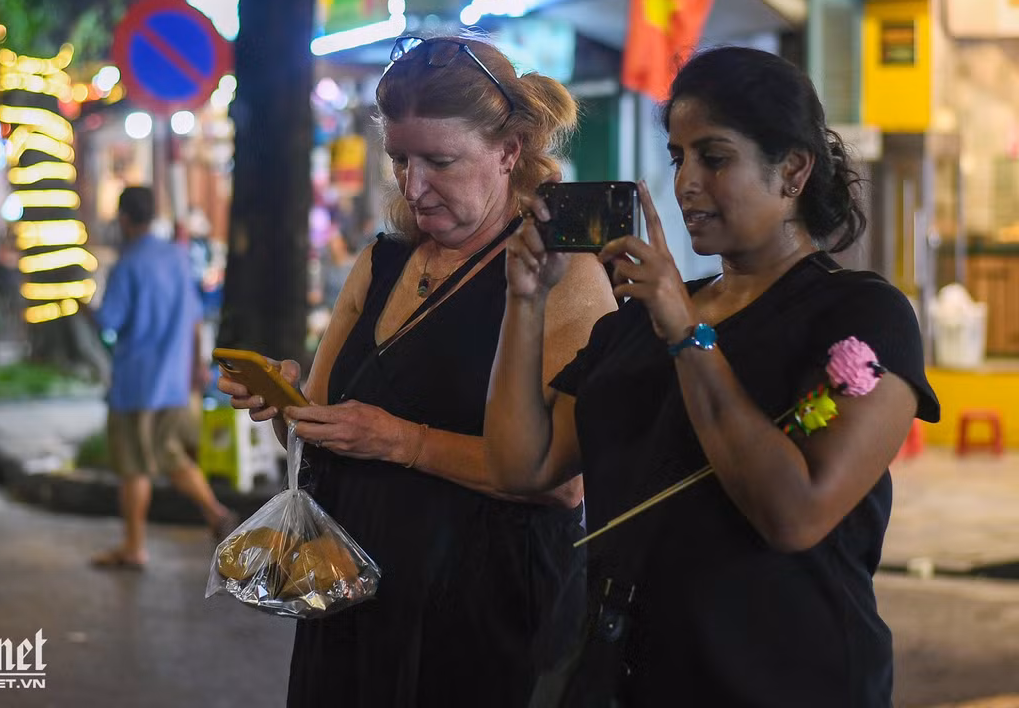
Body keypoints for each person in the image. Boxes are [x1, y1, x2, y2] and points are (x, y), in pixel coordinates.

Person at [485, 46, 940, 706]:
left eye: (714, 157)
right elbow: (521, 466)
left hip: (781, 681)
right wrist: (524, 301)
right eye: (677, 157)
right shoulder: (641, 314)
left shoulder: (861, 315)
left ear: (792, 171)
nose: (686, 183)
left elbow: (795, 514)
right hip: (624, 676)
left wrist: (686, 333)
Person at [218, 34, 616, 707]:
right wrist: (293, 407)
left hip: (486, 617)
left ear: (509, 152)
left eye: (440, 160)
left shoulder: (562, 271)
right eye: (400, 159)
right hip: (350, 601)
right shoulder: (383, 261)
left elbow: (564, 481)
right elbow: (319, 437)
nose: (414, 185)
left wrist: (401, 441)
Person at [90, 186, 239, 570]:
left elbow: (109, 321)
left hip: (136, 383)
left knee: (134, 466)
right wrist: (195, 365)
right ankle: (214, 511)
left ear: (124, 218)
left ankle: (134, 546)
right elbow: (193, 316)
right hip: (173, 379)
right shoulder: (175, 256)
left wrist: (82, 309)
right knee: (170, 454)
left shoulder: (127, 264)